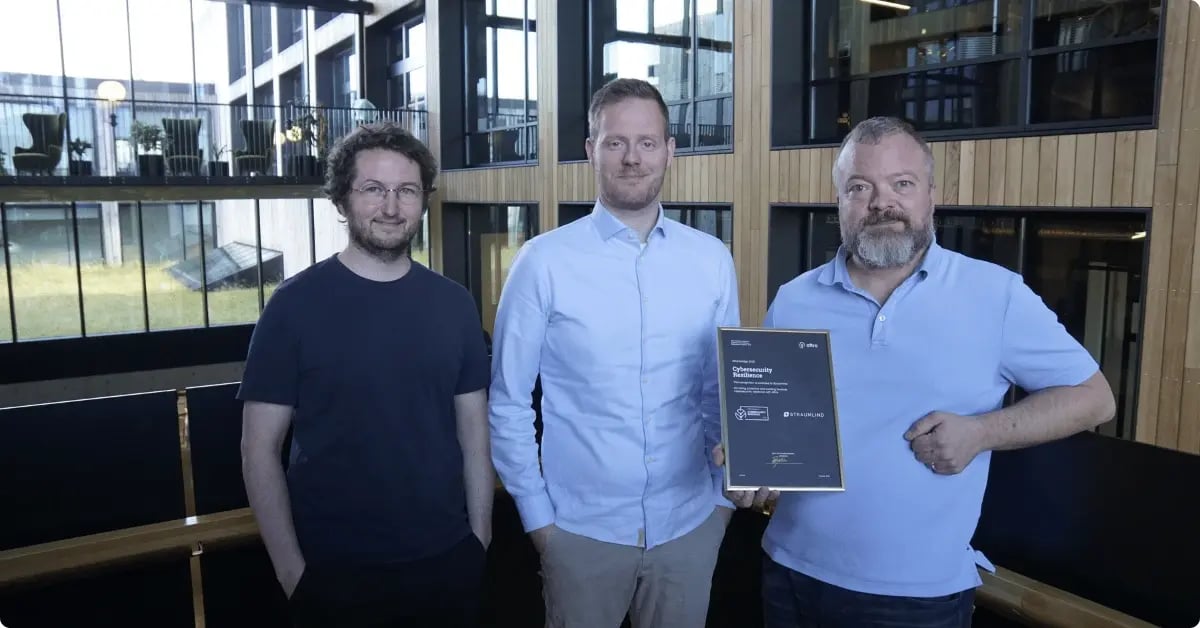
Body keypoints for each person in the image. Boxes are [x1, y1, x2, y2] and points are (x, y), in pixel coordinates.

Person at [724, 116, 1116, 627]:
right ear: (839, 203)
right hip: (789, 571)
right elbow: (776, 429)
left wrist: (982, 432)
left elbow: (1095, 398)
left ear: (931, 195)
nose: (881, 203)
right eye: (860, 187)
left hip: (918, 597)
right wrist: (749, 460)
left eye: (901, 184)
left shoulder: (995, 294)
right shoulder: (795, 299)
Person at [488, 77, 740, 628]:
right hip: (580, 535)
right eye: (615, 142)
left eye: (647, 142)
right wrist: (541, 526)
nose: (632, 158)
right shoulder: (542, 262)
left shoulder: (712, 259)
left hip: (690, 528)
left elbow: (722, 391)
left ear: (671, 150)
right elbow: (508, 404)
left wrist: (721, 508)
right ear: (591, 151)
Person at [238, 121, 493, 628]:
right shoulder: (292, 307)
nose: (392, 206)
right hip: (334, 572)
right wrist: (293, 573)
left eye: (407, 191)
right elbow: (258, 449)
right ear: (341, 200)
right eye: (373, 189)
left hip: (445, 561)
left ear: (423, 201)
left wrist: (479, 541)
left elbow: (474, 435)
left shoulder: (455, 304)